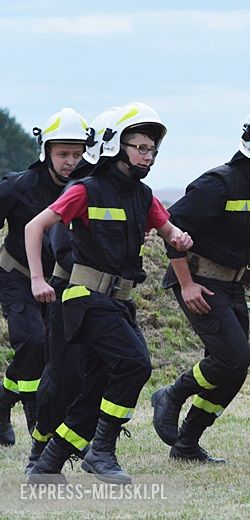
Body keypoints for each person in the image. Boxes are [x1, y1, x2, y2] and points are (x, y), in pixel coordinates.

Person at [25, 102, 192, 484]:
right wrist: (38, 279)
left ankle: (49, 464)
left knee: (98, 385)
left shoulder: (144, 195)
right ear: (116, 145)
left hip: (120, 302)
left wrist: (179, 236)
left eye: (152, 149)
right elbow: (35, 227)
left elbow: (170, 232)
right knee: (134, 364)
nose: (148, 156)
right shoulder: (85, 190)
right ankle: (101, 451)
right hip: (84, 299)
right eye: (140, 147)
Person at [150, 102, 250, 463]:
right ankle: (171, 395)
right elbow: (174, 232)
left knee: (233, 371)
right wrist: (186, 285)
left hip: (233, 285)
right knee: (234, 357)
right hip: (198, 280)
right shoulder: (218, 183)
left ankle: (186, 444)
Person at [24, 107, 119, 474]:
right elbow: (56, 240)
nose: (71, 160)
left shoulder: (121, 188)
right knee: (63, 376)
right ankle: (41, 447)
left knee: (116, 369)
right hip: (72, 292)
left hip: (114, 297)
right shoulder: (81, 188)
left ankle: (98, 446)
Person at [0, 108, 89, 449]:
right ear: (47, 152)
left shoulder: (88, 189)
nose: (70, 161)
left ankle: (3, 401)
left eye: (77, 154)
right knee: (33, 343)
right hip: (17, 277)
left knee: (52, 352)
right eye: (63, 153)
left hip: (62, 282)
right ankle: (38, 424)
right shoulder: (17, 186)